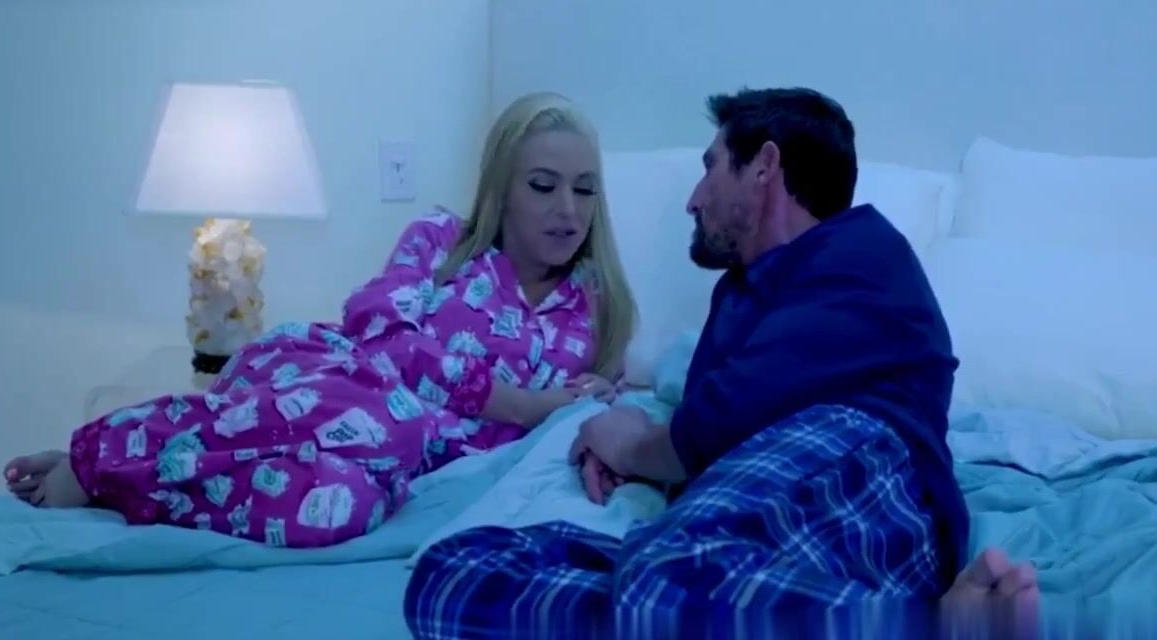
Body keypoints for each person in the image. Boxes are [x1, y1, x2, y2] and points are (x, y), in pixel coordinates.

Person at [403, 88, 1041, 639]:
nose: (693, 198)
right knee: (451, 577)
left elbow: (707, 430)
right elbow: (701, 441)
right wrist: (649, 450)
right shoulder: (742, 294)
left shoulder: (860, 251)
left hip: (862, 468)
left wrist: (629, 440)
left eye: (710, 167)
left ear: (764, 168)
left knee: (661, 578)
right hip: (747, 555)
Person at [0, 92, 638, 549]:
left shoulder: (598, 309)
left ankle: (128, 481)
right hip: (329, 378)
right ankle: (101, 453)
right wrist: (521, 404)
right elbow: (383, 335)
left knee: (339, 506)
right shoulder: (442, 241)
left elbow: (603, 411)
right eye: (544, 185)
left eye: (585, 189)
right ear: (502, 189)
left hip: (396, 467)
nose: (568, 208)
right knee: (396, 421)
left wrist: (588, 413)